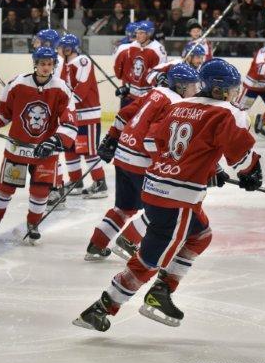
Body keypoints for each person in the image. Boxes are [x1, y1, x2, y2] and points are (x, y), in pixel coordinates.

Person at [74, 59, 262, 331]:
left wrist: (208, 167)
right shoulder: (227, 113)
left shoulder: (178, 107)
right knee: (151, 257)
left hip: (154, 188)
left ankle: (162, 290)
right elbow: (241, 155)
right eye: (232, 89)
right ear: (220, 90)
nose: (235, 95)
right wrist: (251, 173)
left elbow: (160, 143)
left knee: (200, 235)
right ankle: (104, 306)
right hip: (178, 198)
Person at [84, 63, 202, 262]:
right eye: (192, 86)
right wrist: (162, 165)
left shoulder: (155, 92)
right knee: (157, 209)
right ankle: (129, 240)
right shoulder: (176, 104)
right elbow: (151, 139)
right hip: (141, 162)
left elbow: (124, 114)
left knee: (124, 207)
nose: (195, 90)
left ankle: (97, 243)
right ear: (180, 86)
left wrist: (112, 139)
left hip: (122, 155)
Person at [0, 47, 78, 242]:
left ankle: (33, 223)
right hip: (18, 147)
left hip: (45, 150)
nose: (46, 68)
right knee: (5, 187)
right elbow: (4, 112)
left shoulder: (61, 88)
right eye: (42, 64)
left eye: (50, 64)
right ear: (35, 64)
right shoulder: (17, 83)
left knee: (40, 191)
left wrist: (55, 141)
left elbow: (70, 121)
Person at [57, 33, 108, 198]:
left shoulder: (82, 61)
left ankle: (100, 184)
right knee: (70, 149)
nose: (60, 50)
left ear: (70, 48)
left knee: (88, 151)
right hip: (72, 115)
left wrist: (66, 104)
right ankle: (76, 182)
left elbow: (82, 88)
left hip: (87, 115)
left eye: (62, 47)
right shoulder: (64, 65)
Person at [112, 20, 168, 108]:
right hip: (132, 94)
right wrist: (127, 86)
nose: (137, 36)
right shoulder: (133, 46)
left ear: (149, 34)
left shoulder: (158, 50)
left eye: (141, 33)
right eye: (137, 33)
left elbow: (161, 74)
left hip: (148, 96)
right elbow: (131, 69)